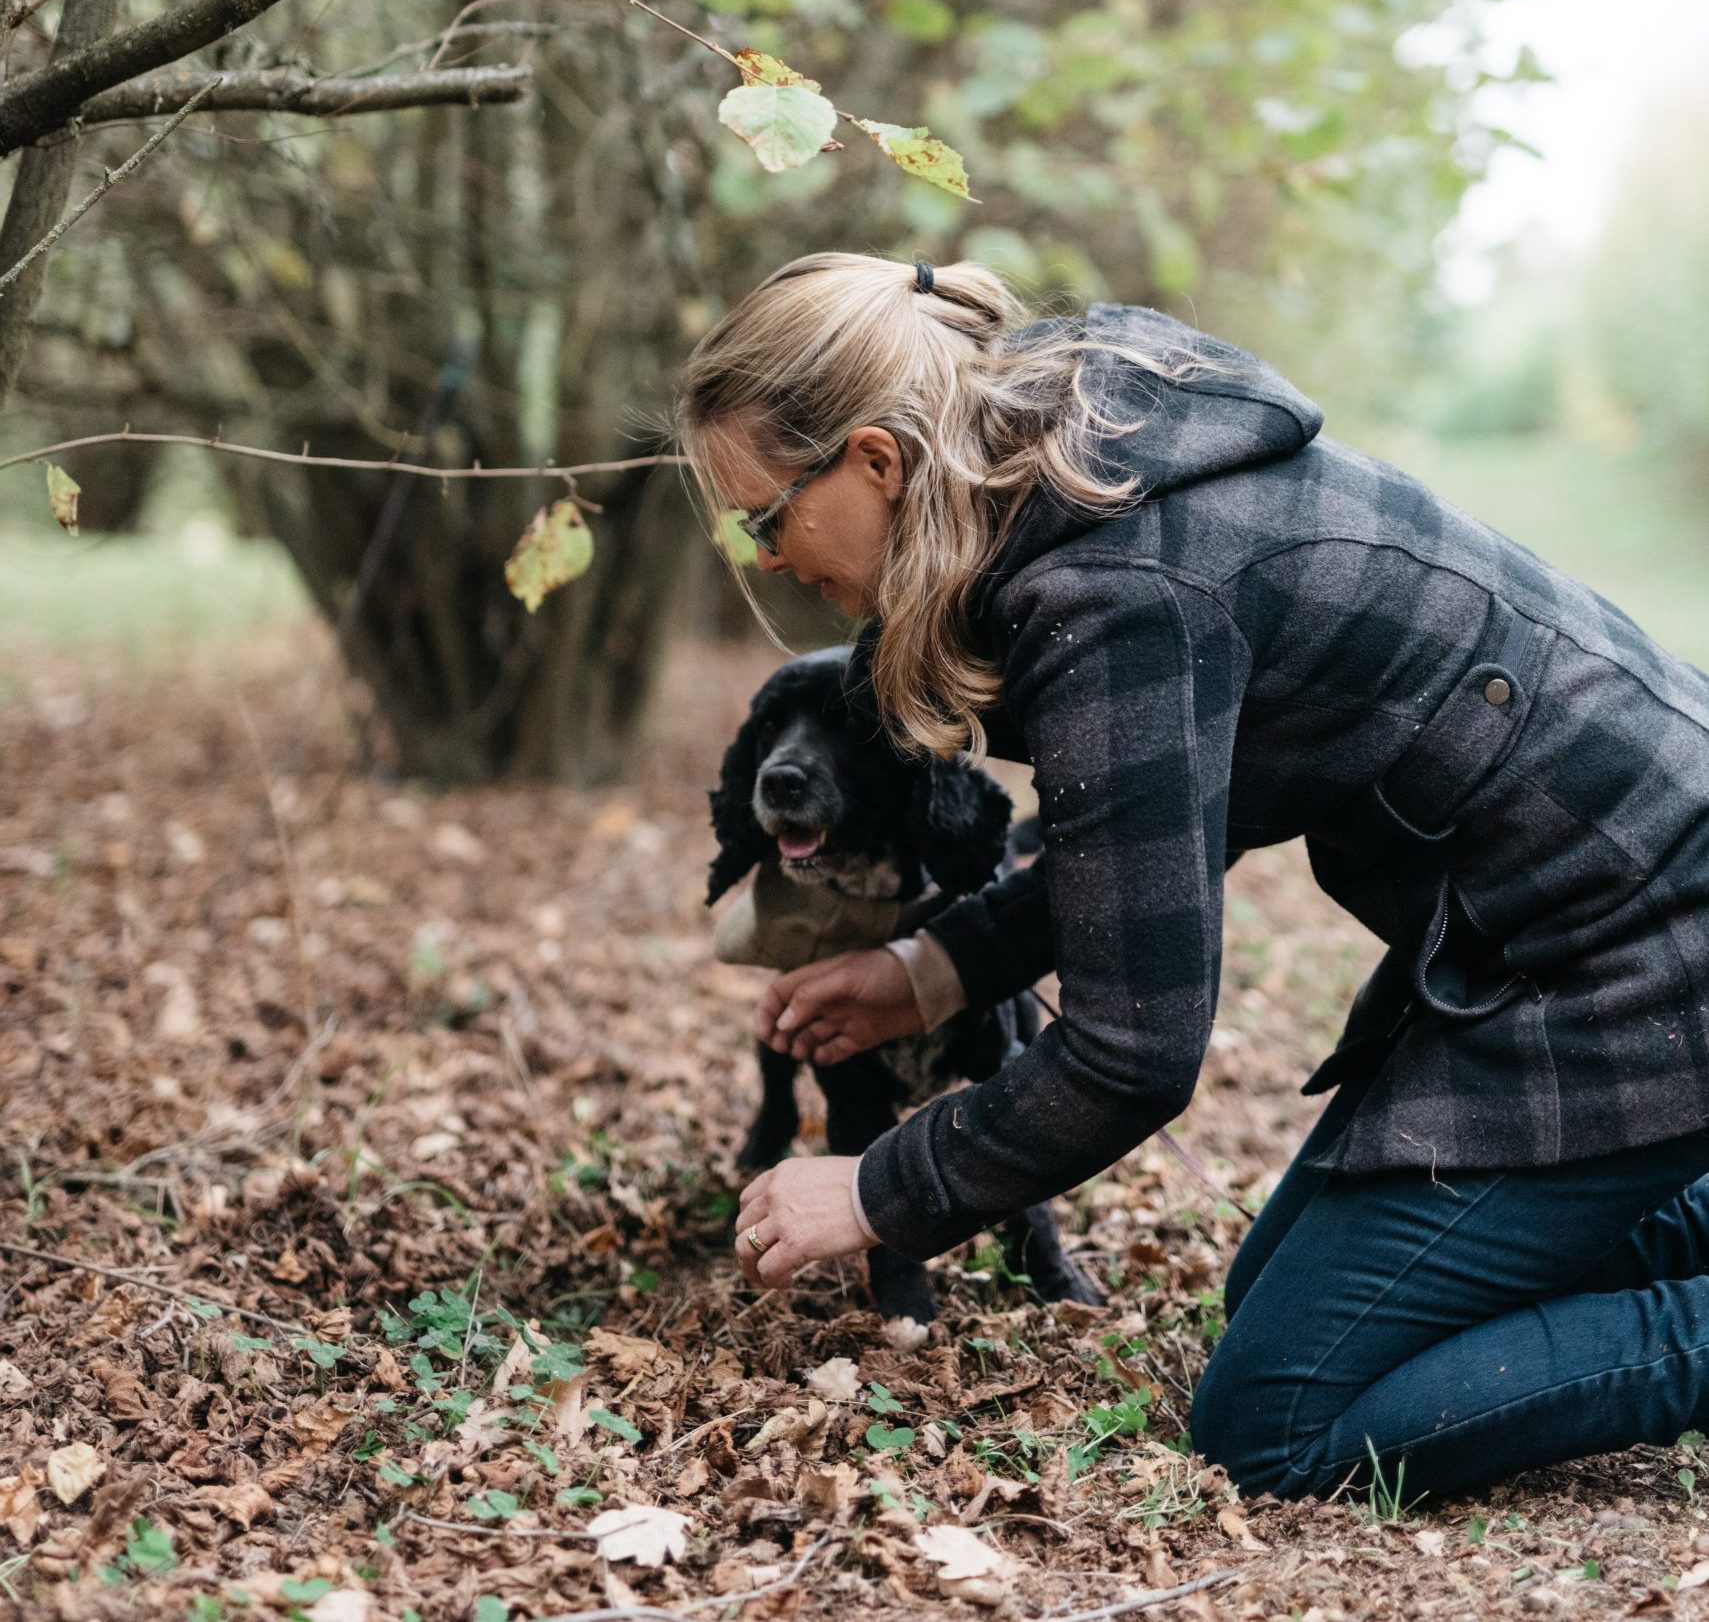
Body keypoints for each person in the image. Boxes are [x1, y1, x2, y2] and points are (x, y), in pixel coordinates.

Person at [672, 249, 1709, 1503]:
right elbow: (1139, 847)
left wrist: (881, 1186)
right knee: (1263, 1297)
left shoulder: (1115, 584)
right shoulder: (1089, 469)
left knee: (1276, 1419)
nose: (767, 557)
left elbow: (1130, 1051)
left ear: (876, 462)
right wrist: (931, 970)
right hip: (1552, 939)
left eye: (764, 515)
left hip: (1647, 955)